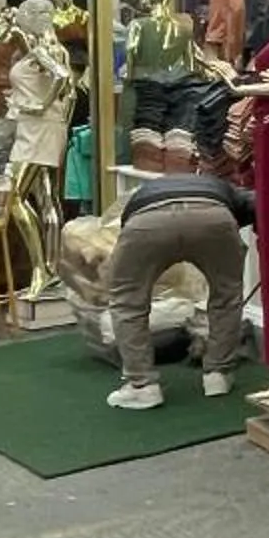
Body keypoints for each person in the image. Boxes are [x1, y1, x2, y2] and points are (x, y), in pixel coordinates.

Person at [104, 172, 254, 410]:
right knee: (227, 296)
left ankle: (141, 386)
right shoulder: (232, 191)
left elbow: (127, 225)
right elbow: (256, 206)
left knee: (128, 301)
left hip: (146, 221)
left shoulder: (147, 189)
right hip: (214, 217)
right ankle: (218, 375)